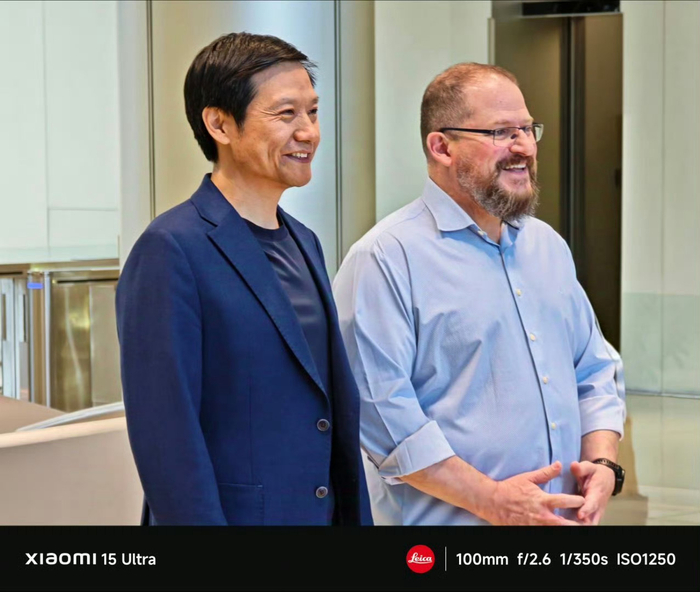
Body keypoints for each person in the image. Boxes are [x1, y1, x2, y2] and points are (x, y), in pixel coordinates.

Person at [333, 62, 626, 526]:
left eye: (528, 129)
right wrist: (493, 500)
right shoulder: (385, 259)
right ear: (441, 147)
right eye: (501, 132)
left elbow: (593, 370)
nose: (524, 147)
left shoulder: (547, 246)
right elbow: (384, 418)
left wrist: (603, 461)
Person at [116, 32, 371, 526]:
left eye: (313, 112)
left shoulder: (305, 241)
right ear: (220, 124)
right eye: (286, 114)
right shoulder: (171, 249)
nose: (308, 132)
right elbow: (167, 439)